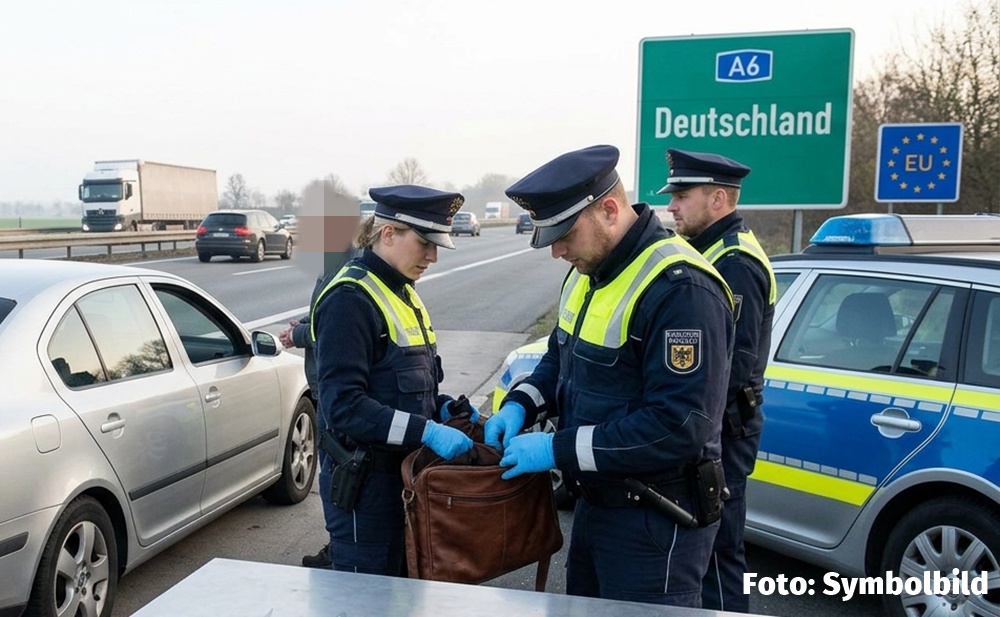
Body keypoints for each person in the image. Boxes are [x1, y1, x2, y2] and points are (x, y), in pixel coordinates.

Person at [486, 144, 735, 607]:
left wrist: (556, 448)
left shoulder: (680, 289)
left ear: (609, 210)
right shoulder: (587, 272)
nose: (557, 250)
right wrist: (522, 403)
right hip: (596, 507)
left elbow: (679, 425)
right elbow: (560, 359)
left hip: (656, 521)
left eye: (565, 234)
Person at [311, 184, 477, 576]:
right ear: (388, 233)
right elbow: (344, 407)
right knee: (367, 598)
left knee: (404, 594)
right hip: (366, 493)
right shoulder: (350, 299)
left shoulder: (403, 292)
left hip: (405, 483)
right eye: (425, 243)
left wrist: (442, 409)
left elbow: (406, 387)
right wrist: (427, 431)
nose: (433, 256)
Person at [658, 149, 776, 613]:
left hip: (724, 431)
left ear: (718, 199)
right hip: (714, 428)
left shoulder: (735, 262)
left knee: (718, 556)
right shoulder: (709, 251)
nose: (672, 206)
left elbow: (729, 368)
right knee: (701, 554)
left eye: (682, 196)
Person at [279, 246, 361, 569]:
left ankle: (341, 551)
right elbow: (321, 313)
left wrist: (297, 333)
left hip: (335, 392)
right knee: (333, 476)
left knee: (336, 478)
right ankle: (340, 545)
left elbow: (331, 326)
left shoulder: (349, 266)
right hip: (325, 386)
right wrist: (302, 323)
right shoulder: (332, 263)